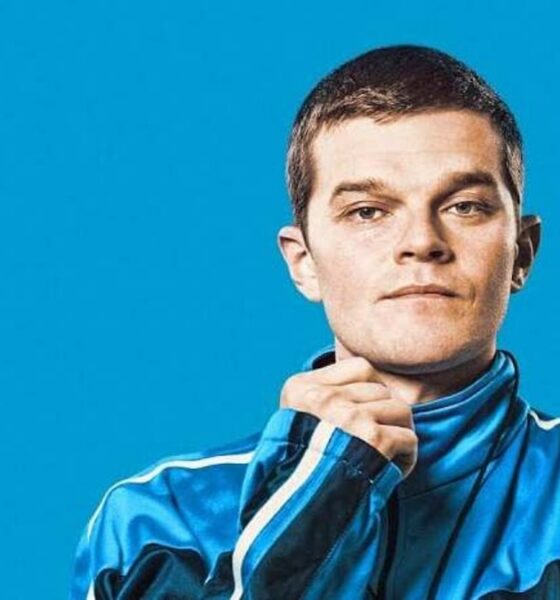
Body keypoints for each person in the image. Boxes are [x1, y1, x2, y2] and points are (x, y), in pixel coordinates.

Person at [69, 44, 559, 599]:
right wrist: (313, 508)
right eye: (368, 211)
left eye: (464, 206)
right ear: (303, 262)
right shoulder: (157, 521)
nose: (422, 242)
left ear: (521, 253)